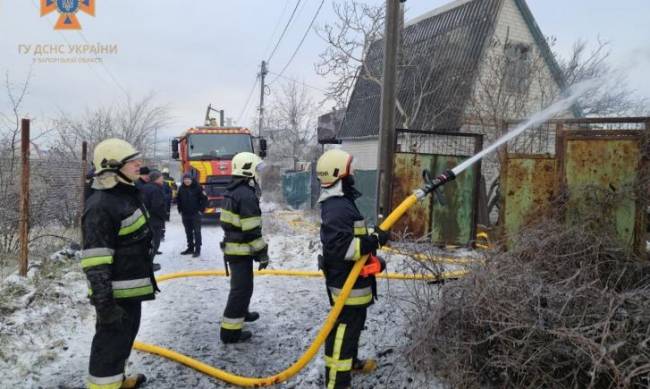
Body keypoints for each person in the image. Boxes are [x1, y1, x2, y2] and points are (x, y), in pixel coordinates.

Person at [80, 138, 158, 389]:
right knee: (110, 344)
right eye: (132, 161)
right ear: (113, 167)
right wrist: (105, 306)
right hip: (115, 295)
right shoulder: (101, 206)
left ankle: (118, 381)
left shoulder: (124, 194)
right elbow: (96, 262)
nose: (139, 164)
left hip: (129, 290)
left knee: (123, 340)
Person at [316, 149, 390, 389]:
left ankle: (349, 364)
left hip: (352, 280)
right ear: (339, 174)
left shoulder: (341, 204)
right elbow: (342, 249)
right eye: (351, 170)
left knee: (350, 329)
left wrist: (371, 246)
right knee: (343, 332)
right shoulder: (338, 207)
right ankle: (337, 381)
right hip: (346, 284)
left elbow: (349, 240)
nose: (354, 174)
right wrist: (374, 241)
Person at [219, 152, 268, 344]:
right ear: (247, 170)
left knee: (244, 287)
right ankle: (230, 333)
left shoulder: (234, 190)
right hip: (240, 249)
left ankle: (243, 313)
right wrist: (262, 253)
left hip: (235, 248)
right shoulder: (246, 195)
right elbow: (252, 230)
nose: (258, 174)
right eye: (256, 170)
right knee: (240, 289)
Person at [177, 172, 207, 257]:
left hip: (195, 214)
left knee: (197, 232)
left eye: (188, 179)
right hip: (185, 214)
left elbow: (204, 199)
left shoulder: (198, 187)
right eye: (185, 179)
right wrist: (180, 210)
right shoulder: (181, 188)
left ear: (191, 179)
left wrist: (201, 210)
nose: (186, 181)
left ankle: (197, 250)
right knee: (188, 232)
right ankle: (190, 248)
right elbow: (178, 199)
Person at [141, 170, 166, 255]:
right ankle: (150, 263)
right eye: (161, 177)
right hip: (155, 220)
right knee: (155, 242)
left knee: (148, 242)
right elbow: (157, 206)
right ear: (157, 178)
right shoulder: (156, 189)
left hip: (145, 219)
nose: (163, 179)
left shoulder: (144, 187)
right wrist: (163, 216)